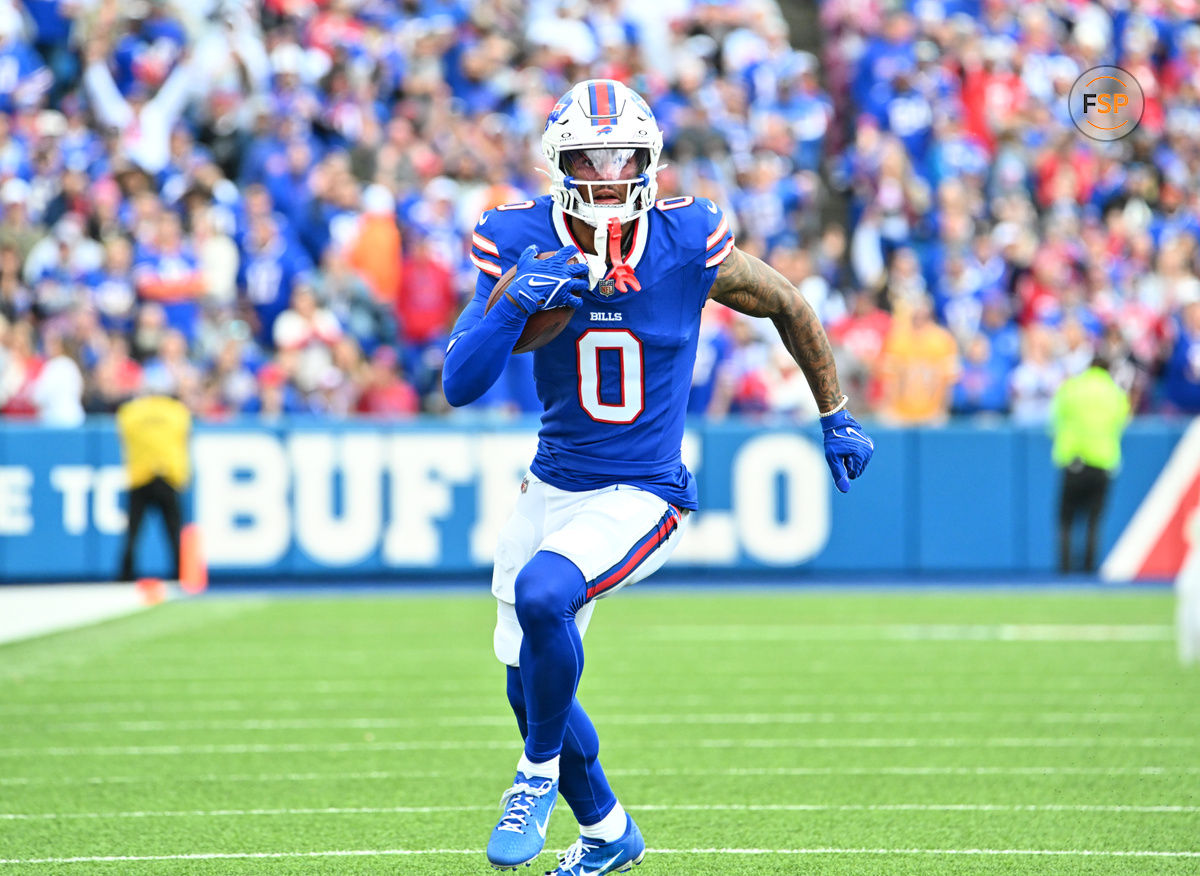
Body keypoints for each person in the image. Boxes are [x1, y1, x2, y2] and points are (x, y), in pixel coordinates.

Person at [442, 79, 874, 876]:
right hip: (553, 484)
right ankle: (609, 834)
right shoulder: (516, 236)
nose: (608, 177)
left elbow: (785, 301)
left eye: (623, 159)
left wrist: (834, 410)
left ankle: (534, 778)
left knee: (545, 596)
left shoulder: (686, 239)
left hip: (645, 491)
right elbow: (460, 381)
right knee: (527, 688)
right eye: (589, 160)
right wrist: (512, 303)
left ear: (650, 161)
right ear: (559, 163)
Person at [1051, 354, 1130, 574]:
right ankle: (1088, 570)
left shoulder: (1072, 387)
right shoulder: (1115, 393)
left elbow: (1055, 418)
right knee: (1094, 520)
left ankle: (1064, 570)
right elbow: (1121, 422)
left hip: (1074, 460)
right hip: (1103, 461)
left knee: (1066, 518)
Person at [115, 389, 192, 581]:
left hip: (140, 477)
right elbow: (183, 438)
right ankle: (181, 574)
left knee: (133, 532)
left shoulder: (130, 412)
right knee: (173, 531)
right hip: (167, 477)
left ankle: (125, 575)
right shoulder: (177, 412)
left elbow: (124, 434)